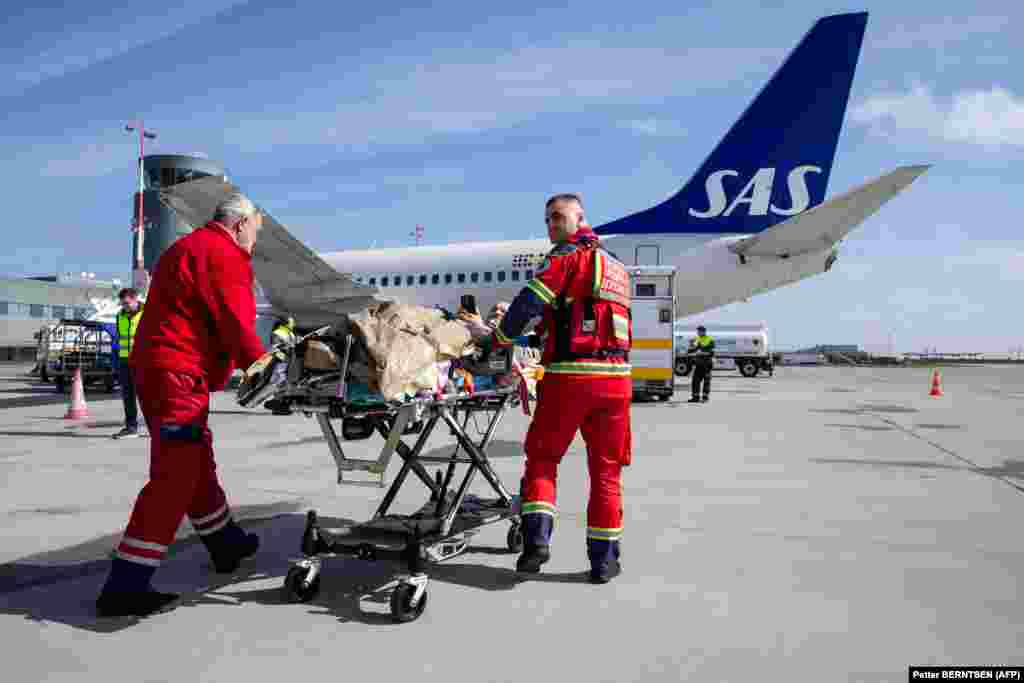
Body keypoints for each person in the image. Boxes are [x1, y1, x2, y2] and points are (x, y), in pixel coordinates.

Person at [95, 193, 268, 617]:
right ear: (241, 222)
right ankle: (126, 584)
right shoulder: (224, 254)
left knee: (193, 459)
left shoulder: (187, 248)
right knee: (175, 475)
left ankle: (225, 542)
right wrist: (262, 366)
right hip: (177, 373)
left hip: (160, 370)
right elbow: (235, 319)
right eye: (256, 231)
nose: (255, 241)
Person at [477, 193, 632, 584]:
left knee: (543, 459)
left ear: (580, 218)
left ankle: (537, 543)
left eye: (558, 217)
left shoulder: (566, 257)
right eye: (547, 219)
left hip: (570, 377)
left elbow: (529, 302)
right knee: (607, 473)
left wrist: (498, 339)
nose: (551, 225)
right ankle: (604, 561)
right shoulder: (616, 267)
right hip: (616, 382)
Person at [112, 288, 145, 438]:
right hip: (125, 361)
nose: (124, 306)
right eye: (122, 303)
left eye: (126, 303)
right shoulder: (119, 316)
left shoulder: (148, 313)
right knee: (128, 396)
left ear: (135, 299)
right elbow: (119, 339)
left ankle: (156, 427)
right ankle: (131, 427)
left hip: (143, 361)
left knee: (147, 396)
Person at [687, 325, 714, 403]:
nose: (698, 332)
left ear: (704, 331)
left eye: (700, 331)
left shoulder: (709, 340)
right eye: (698, 331)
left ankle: (705, 398)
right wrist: (690, 347)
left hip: (707, 364)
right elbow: (692, 350)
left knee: (706, 381)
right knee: (695, 381)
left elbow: (711, 353)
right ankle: (695, 397)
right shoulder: (697, 339)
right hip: (699, 364)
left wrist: (701, 353)